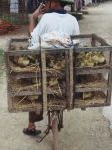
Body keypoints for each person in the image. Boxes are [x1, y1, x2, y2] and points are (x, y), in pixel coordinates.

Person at [23, 0, 80, 136]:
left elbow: (32, 39)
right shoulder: (73, 20)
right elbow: (77, 41)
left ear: (53, 2)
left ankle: (31, 125)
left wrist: (33, 17)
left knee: (33, 84)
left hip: (45, 66)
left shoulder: (46, 18)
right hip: (65, 67)